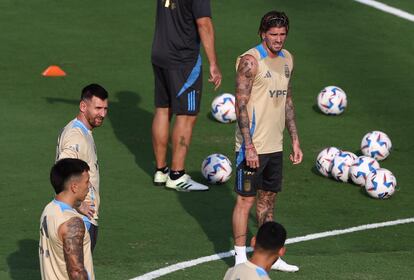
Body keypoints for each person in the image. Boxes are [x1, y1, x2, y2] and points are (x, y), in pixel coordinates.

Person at [231, 11, 303, 272]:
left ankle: (270, 254)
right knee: (245, 201)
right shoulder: (251, 61)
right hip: (252, 147)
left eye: (283, 34)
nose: (278, 40)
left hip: (275, 145)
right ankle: (240, 256)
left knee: (268, 201)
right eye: (273, 35)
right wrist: (248, 145)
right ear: (263, 33)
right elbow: (240, 104)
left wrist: (294, 139)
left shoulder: (287, 59)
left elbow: (288, 101)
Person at [151, 0, 222, 191]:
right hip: (182, 60)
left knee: (163, 109)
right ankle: (177, 175)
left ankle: (161, 171)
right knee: (187, 115)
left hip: (159, 53)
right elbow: (204, 23)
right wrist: (213, 63)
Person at [56, 83, 108, 252]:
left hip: (79, 219)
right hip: (79, 221)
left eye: (105, 109)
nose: (103, 114)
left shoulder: (82, 131)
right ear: (83, 106)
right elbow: (62, 171)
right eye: (98, 108)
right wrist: (79, 204)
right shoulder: (76, 137)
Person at [39, 158, 94, 280]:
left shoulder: (48, 210)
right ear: (74, 187)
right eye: (87, 182)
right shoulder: (72, 222)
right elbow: (76, 271)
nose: (89, 186)